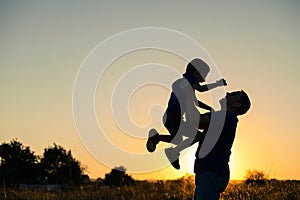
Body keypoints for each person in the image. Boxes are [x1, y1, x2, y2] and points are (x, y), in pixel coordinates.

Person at [146, 58, 227, 169]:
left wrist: (210, 109)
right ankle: (173, 152)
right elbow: (202, 89)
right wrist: (218, 84)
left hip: (170, 117)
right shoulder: (188, 81)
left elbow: (196, 102)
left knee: (178, 140)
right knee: (198, 135)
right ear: (196, 73)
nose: (203, 80)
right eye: (204, 76)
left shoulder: (186, 84)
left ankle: (157, 138)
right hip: (173, 117)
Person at [192, 90, 251, 200]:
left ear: (236, 104)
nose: (227, 93)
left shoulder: (225, 116)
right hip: (210, 172)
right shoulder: (226, 118)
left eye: (232, 94)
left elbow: (197, 121)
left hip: (210, 172)